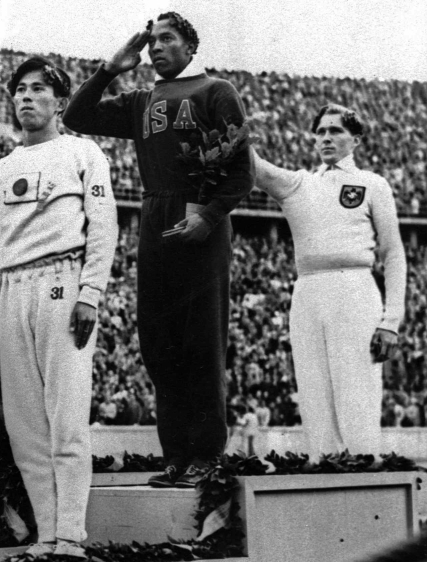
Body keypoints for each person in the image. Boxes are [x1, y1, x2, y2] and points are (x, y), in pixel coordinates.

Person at [63, 12, 253, 488]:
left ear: (191, 46)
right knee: (158, 343)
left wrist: (207, 216)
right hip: (154, 216)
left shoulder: (216, 91)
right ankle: (176, 455)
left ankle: (207, 454)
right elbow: (75, 117)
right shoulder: (142, 99)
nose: (156, 49)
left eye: (167, 39)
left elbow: (242, 171)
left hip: (201, 221)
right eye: (151, 42)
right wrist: (110, 69)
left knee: (202, 341)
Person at [0, 57, 118, 558]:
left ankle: (71, 537)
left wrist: (91, 294)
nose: (26, 97)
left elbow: (104, 227)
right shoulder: (0, 169)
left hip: (63, 281)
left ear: (60, 102)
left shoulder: (83, 152)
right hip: (14, 289)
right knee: (25, 426)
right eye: (19, 89)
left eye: (38, 89)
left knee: (65, 417)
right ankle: (46, 536)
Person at [251, 104, 407, 457]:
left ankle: (365, 468)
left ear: (356, 139)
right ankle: (322, 467)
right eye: (320, 131)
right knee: (313, 392)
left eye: (335, 131)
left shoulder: (371, 184)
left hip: (354, 287)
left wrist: (391, 321)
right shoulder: (299, 183)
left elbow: (394, 253)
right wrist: (237, 134)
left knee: (356, 389)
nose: (325, 138)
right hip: (307, 289)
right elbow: (256, 170)